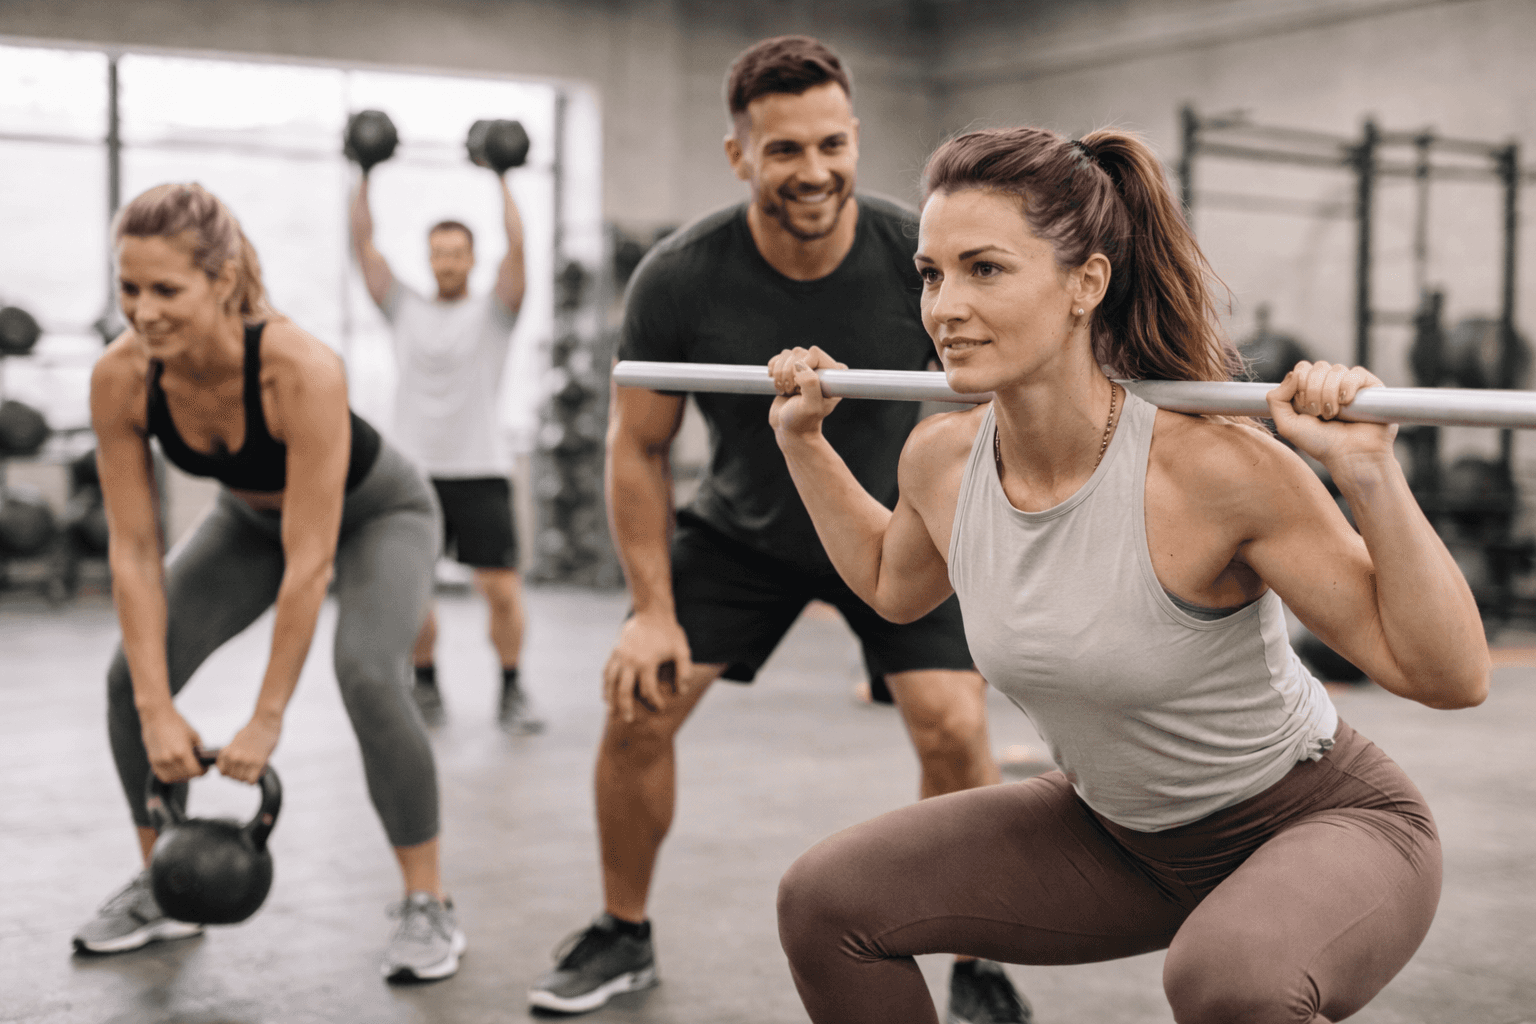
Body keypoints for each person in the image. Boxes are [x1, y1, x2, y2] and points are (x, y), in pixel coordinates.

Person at [768, 126, 1490, 1024]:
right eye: (930, 273)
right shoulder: (944, 456)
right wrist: (802, 443)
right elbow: (891, 580)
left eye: (985, 269)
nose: (945, 306)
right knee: (828, 902)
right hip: (1118, 836)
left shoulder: (1215, 469)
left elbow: (1450, 676)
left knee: (1230, 983)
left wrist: (1369, 474)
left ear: (1087, 284)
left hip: (1318, 820)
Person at [528, 37, 1030, 1023]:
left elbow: (1004, 382)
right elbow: (636, 450)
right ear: (739, 155)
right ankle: (622, 931)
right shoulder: (679, 278)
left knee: (955, 725)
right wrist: (647, 611)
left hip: (897, 529)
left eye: (832, 143)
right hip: (743, 534)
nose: (814, 171)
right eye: (786, 149)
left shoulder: (915, 262)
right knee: (639, 707)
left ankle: (978, 957)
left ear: (855, 137)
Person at [73, 183, 466, 984]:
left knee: (366, 674)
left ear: (221, 280)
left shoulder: (301, 367)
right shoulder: (121, 377)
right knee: (128, 681)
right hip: (248, 523)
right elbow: (134, 552)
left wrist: (265, 721)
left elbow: (310, 562)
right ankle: (163, 878)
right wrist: (156, 709)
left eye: (166, 290)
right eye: (129, 289)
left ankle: (427, 901)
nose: (142, 312)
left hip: (380, 512)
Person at [349, 165, 539, 733]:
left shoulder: (495, 312)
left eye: (458, 252)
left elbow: (520, 249)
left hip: (481, 469)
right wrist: (363, 172)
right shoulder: (403, 307)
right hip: (411, 474)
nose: (448, 261)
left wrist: (503, 177)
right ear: (428, 258)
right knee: (414, 592)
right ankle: (426, 686)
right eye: (439, 252)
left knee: (501, 591)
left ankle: (511, 689)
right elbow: (361, 244)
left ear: (472, 258)